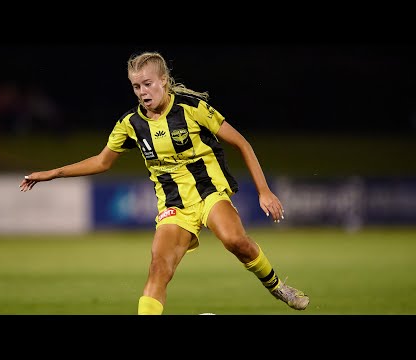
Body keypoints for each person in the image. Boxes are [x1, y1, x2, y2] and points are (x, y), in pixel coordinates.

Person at [19, 51, 310, 314]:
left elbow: (242, 143)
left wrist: (264, 191)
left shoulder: (192, 109)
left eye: (148, 84)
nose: (142, 92)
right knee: (159, 268)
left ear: (164, 81)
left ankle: (276, 287)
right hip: (173, 206)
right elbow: (101, 161)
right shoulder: (130, 124)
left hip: (209, 192)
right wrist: (53, 173)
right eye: (136, 86)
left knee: (235, 241)